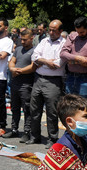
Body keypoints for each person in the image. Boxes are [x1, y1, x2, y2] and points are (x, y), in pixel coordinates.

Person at [27, 19, 65, 147]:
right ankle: (35, 136)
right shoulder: (44, 41)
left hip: (53, 82)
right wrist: (47, 61)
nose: (51, 32)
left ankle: (52, 138)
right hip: (39, 79)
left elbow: (58, 64)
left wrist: (42, 61)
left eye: (54, 30)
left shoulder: (64, 44)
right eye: (50, 29)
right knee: (34, 109)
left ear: (60, 31)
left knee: (52, 111)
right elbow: (34, 57)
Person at [60, 16, 87, 101]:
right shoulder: (72, 36)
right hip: (71, 76)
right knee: (69, 105)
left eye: (82, 32)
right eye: (77, 32)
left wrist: (72, 61)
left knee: (82, 106)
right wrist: (78, 59)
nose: (79, 34)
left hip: (86, 79)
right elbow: (63, 54)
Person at [5, 28, 36, 139]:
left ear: (31, 38)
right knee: (14, 107)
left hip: (26, 84)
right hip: (15, 83)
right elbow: (11, 61)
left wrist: (19, 71)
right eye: (21, 39)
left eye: (25, 40)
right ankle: (14, 129)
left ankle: (27, 132)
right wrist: (12, 69)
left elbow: (33, 66)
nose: (22, 42)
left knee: (26, 108)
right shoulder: (18, 49)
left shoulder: (35, 50)